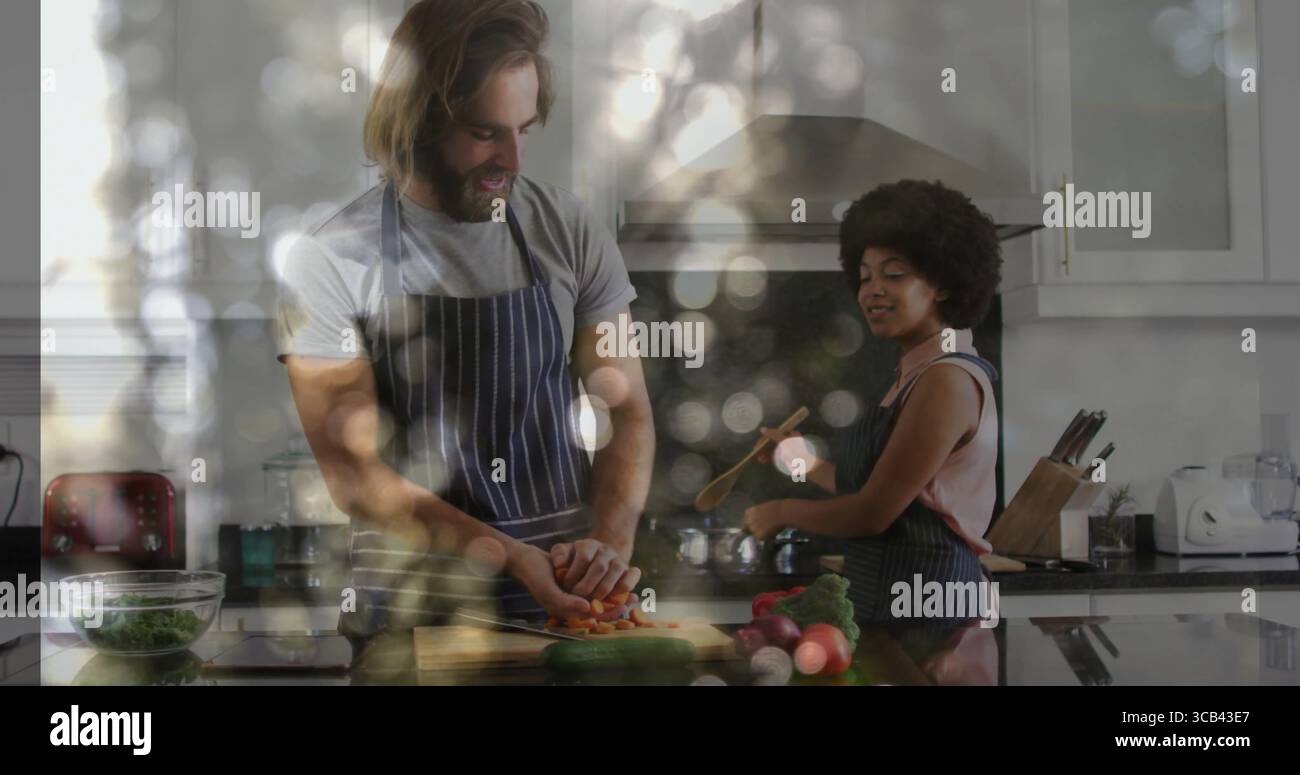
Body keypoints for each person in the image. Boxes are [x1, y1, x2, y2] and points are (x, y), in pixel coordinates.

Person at [275, 0, 654, 637]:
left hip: (567, 608)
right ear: (419, 121)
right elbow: (355, 478)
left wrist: (609, 553)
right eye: (485, 133)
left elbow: (628, 411)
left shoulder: (568, 229)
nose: (513, 159)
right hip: (410, 620)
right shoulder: (330, 259)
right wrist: (507, 555)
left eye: (524, 129)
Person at [744, 179, 1002, 625]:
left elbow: (873, 512)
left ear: (941, 283)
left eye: (893, 274)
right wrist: (798, 461)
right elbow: (883, 489)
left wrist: (782, 512)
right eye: (865, 277)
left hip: (929, 615)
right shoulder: (917, 371)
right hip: (891, 602)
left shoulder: (946, 379)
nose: (872, 290)